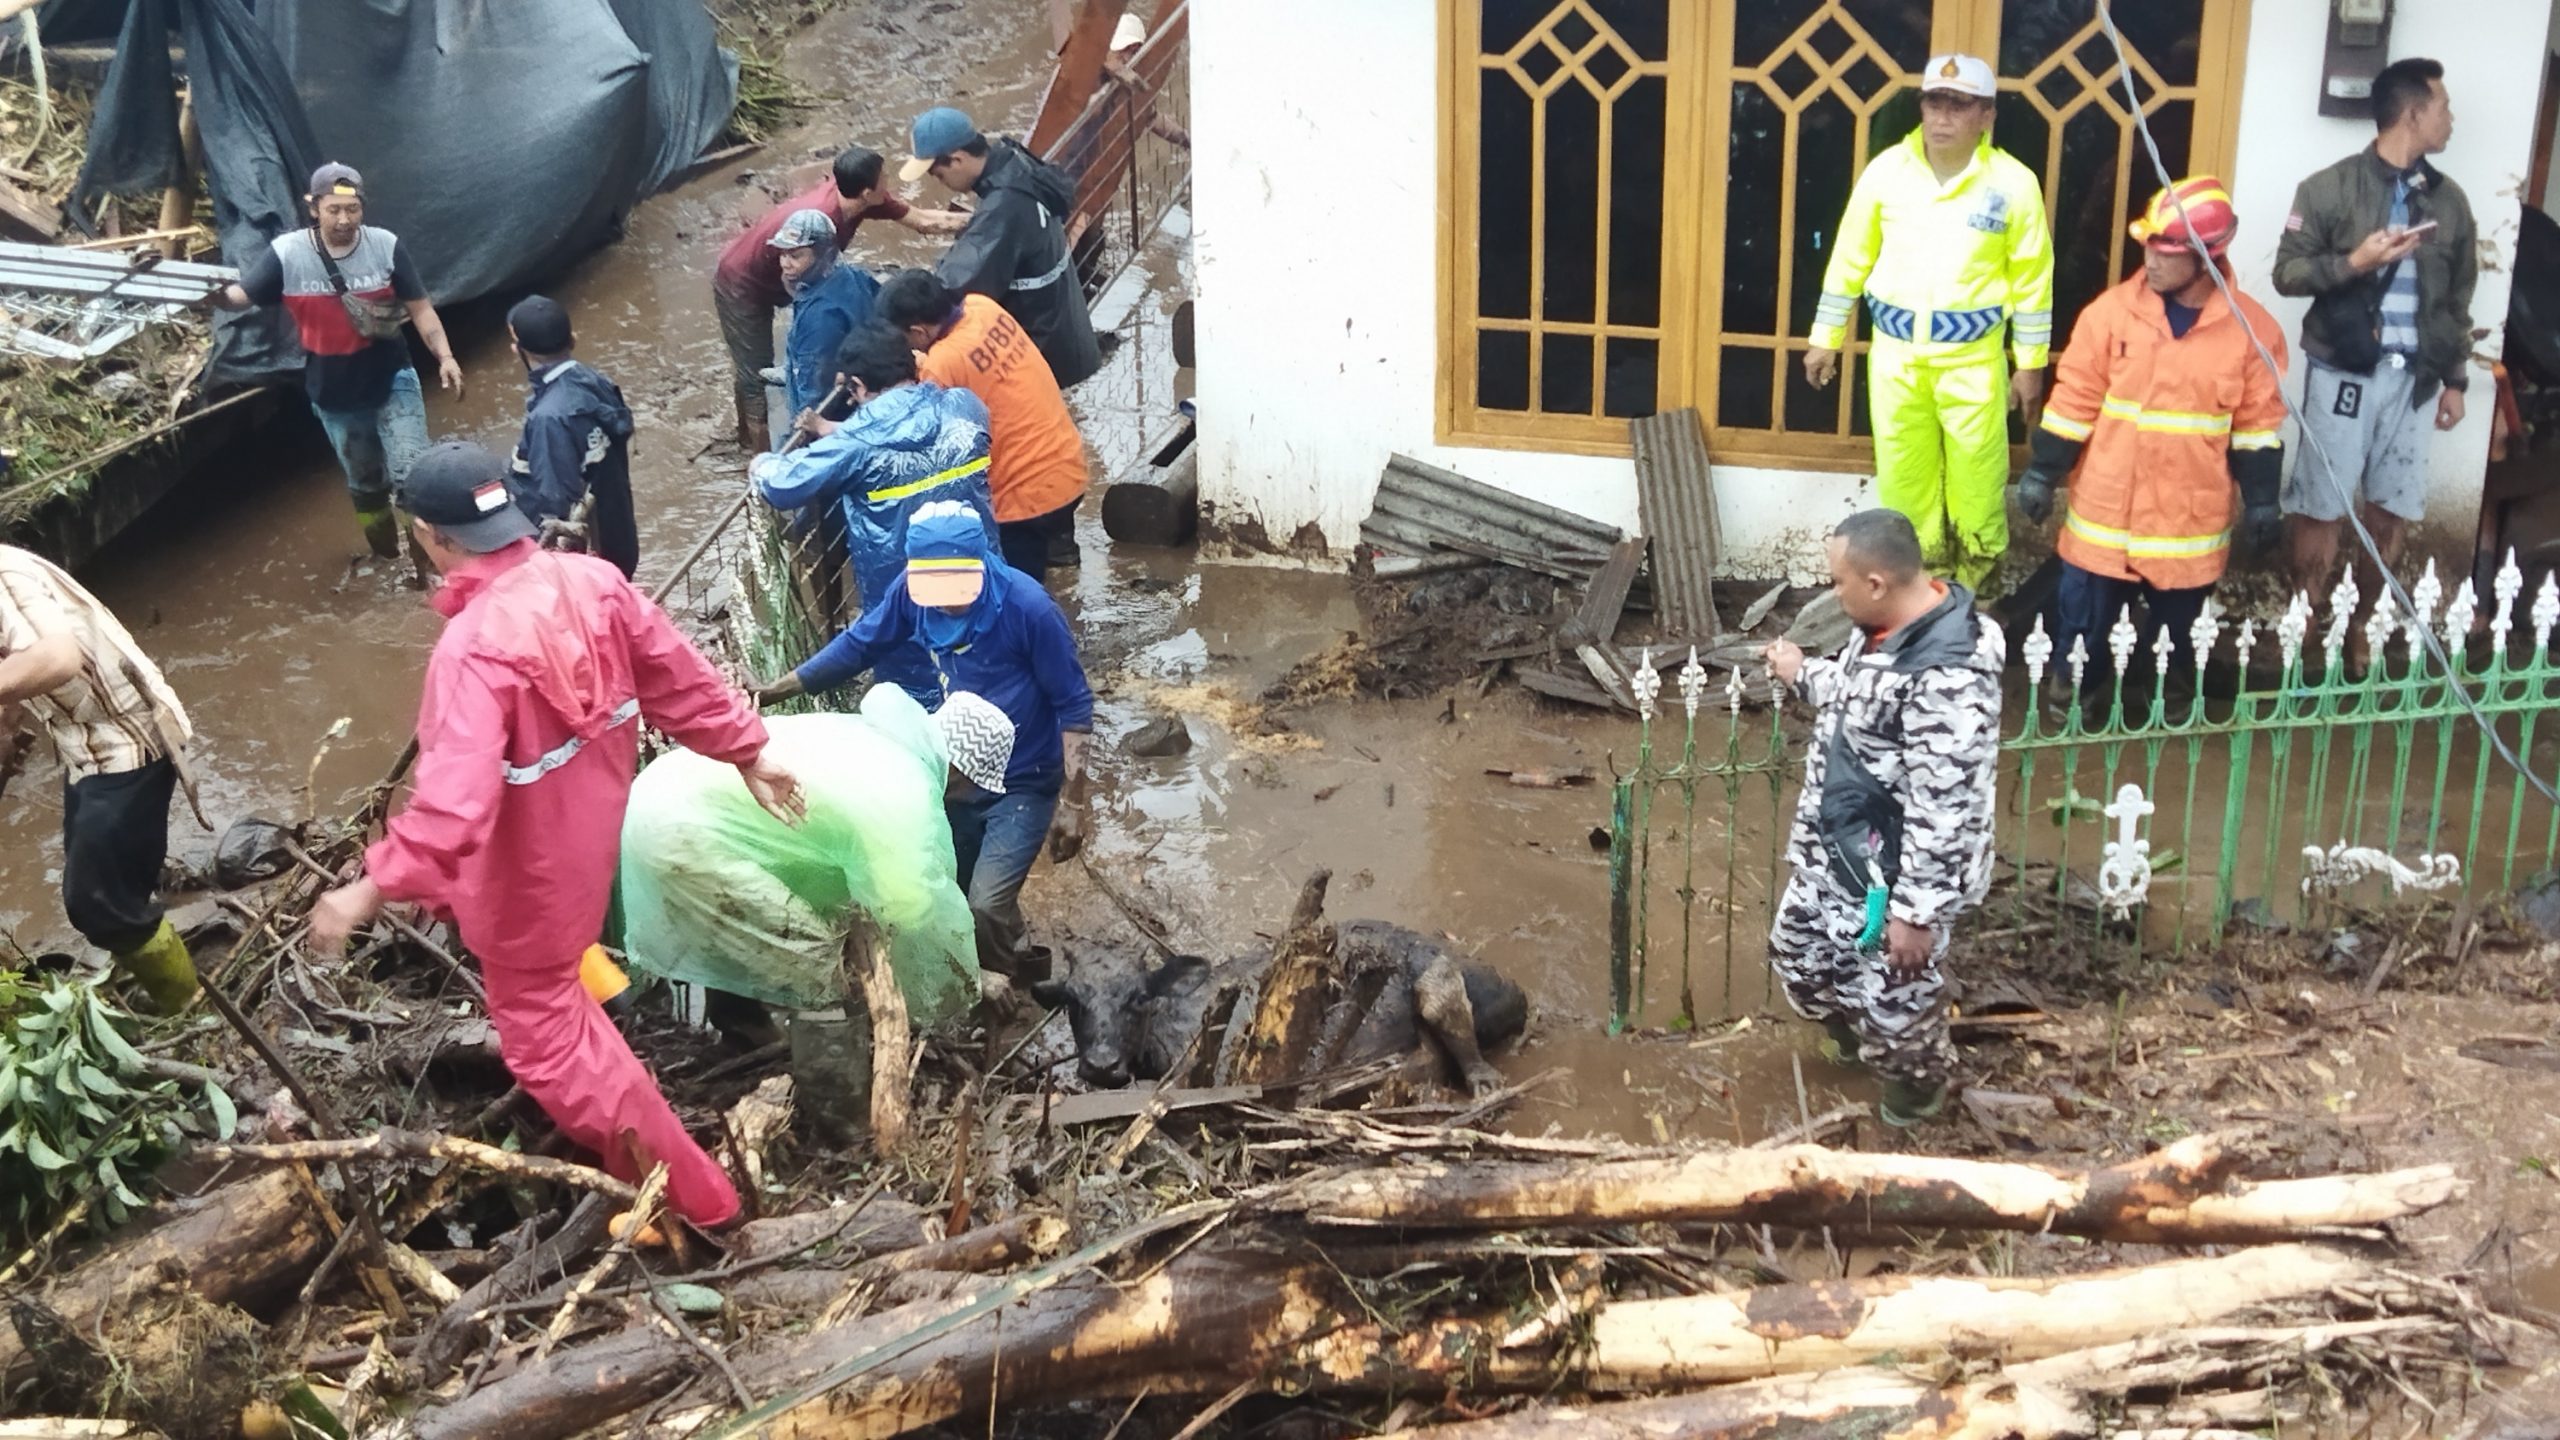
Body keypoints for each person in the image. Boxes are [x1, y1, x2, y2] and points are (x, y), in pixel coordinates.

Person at [305, 441, 806, 1232]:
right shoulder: (593, 583)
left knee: (545, 1045)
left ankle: (693, 1201)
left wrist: (365, 888)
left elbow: (450, 812)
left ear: (431, 539)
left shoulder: (472, 652)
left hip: (524, 890)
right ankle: (638, 1120)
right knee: (566, 979)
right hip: (583, 851)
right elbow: (678, 676)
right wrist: (747, 750)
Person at [754, 501, 1092, 983]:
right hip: (955, 771)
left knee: (982, 905)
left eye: (958, 588)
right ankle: (1012, 955)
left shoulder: (1028, 609)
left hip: (1024, 778)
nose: (946, 601)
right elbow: (859, 645)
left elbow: (1074, 706)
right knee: (951, 886)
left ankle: (999, 989)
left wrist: (1072, 804)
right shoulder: (911, 595)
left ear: (980, 565)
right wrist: (775, 689)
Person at [1760, 510, 2004, 1126]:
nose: (1830, 594)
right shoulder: (1883, 629)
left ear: (1874, 583)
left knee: (1898, 1014)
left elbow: (1946, 806)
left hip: (1894, 876)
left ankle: (1913, 1100)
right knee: (1798, 957)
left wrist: (1915, 914)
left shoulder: (1948, 674)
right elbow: (1859, 693)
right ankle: (1849, 1043)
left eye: (1837, 582)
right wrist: (1801, 674)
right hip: (1839, 850)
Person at [2019, 177, 2288, 700]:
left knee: (2173, 641)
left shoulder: (2253, 332)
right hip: (2106, 520)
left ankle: (2158, 693)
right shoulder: (2108, 316)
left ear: (2208, 256)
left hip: (2187, 525)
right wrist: (2041, 473)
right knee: (2083, 639)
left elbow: (2257, 428)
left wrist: (2262, 503)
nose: (2152, 262)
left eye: (2166, 251)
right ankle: (2076, 694)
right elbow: (2073, 402)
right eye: (2149, 248)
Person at [1805, 57, 2054, 589]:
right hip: (1896, 356)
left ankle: (1976, 596)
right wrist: (1824, 339)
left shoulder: (2013, 184)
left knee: (1978, 484)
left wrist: (2029, 365)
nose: (1943, 117)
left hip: (1973, 360)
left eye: (1959, 105)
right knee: (1905, 482)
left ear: (1986, 116)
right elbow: (1850, 259)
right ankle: (1918, 595)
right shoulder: (1887, 173)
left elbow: (2034, 282)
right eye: (1934, 102)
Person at [619, 687, 1008, 1027]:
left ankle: (744, 1030)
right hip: (684, 835)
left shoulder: (872, 739)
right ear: (961, 774)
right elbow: (913, 913)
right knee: (817, 966)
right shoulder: (905, 794)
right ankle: (823, 1084)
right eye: (970, 790)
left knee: (754, 930)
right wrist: (971, 980)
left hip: (660, 795)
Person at [2274, 57, 2477, 670]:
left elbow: (2458, 298)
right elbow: (2287, 273)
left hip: (2415, 383)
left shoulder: (2452, 201)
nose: (2451, 119)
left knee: (2391, 508)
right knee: (2320, 505)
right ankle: (2303, 632)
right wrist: (2354, 263)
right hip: (2343, 373)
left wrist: (2456, 380)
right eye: (2443, 107)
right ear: (2413, 114)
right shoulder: (2328, 188)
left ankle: (2362, 627)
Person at [213, 162, 463, 560]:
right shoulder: (287, 254)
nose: (344, 220)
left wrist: (445, 356)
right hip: (334, 393)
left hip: (391, 378)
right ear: (313, 208)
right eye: (334, 210)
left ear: (363, 207)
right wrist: (206, 293)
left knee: (412, 475)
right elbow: (239, 297)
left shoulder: (385, 245)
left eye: (353, 210)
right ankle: (385, 552)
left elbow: (421, 309)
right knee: (365, 483)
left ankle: (427, 564)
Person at [0, 545, 200, 1013]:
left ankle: (187, 1005)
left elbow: (57, 657)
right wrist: (6, 726)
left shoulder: (3, 573)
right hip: (83, 745)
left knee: (97, 905)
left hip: (127, 740)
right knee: (96, 877)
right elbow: (13, 653)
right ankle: (145, 950)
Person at [753, 324, 1000, 701]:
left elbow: (783, 485)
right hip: (982, 586)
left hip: (903, 608)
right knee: (988, 687)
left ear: (857, 387)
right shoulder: (966, 407)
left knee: (915, 709)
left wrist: (761, 464)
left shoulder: (856, 444)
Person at [712, 147, 966, 454]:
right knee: (753, 374)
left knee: (807, 356)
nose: (888, 185)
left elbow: (924, 220)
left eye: (795, 255)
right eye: (884, 179)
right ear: (867, 192)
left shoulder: (863, 202)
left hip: (802, 295)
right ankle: (753, 453)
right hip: (740, 283)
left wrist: (980, 220)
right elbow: (792, 285)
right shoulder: (826, 241)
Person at [877, 269, 1089, 579]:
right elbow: (967, 368)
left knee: (1014, 593)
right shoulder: (982, 307)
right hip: (1066, 467)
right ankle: (1060, 561)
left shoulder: (942, 363)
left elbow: (919, 436)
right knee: (1037, 566)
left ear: (918, 332)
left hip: (1022, 502)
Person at [903, 106, 1104, 388]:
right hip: (1069, 330)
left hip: (1045, 351)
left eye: (939, 175)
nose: (942, 183)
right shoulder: (1014, 159)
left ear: (957, 160)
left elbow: (955, 286)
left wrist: (902, 307)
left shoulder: (1004, 206)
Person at [504, 296, 638, 579]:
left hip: (581, 568)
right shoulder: (596, 381)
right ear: (573, 339)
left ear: (519, 350)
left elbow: (555, 505)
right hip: (618, 538)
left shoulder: (548, 419)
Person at [771, 209, 884, 438]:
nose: (786, 263)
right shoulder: (853, 275)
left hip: (837, 406)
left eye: (796, 256)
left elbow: (814, 383)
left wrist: (801, 431)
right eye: (783, 254)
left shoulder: (819, 317)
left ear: (822, 254)